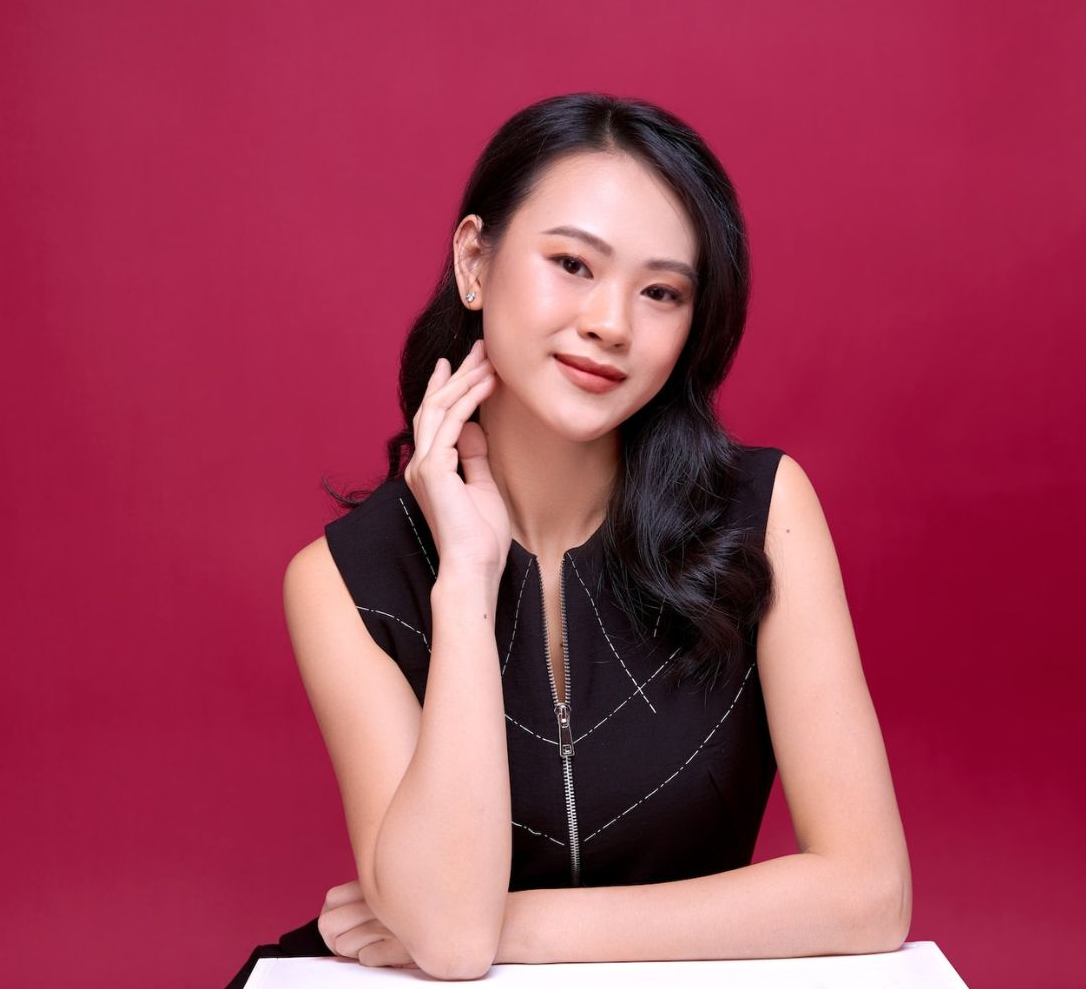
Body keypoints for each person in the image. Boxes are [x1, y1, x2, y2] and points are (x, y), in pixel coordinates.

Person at [225, 91, 910, 987]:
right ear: (475, 261)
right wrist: (464, 583)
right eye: (573, 266)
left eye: (661, 291)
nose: (612, 324)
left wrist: (512, 924)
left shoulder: (763, 511)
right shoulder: (341, 579)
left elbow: (868, 893)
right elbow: (451, 946)